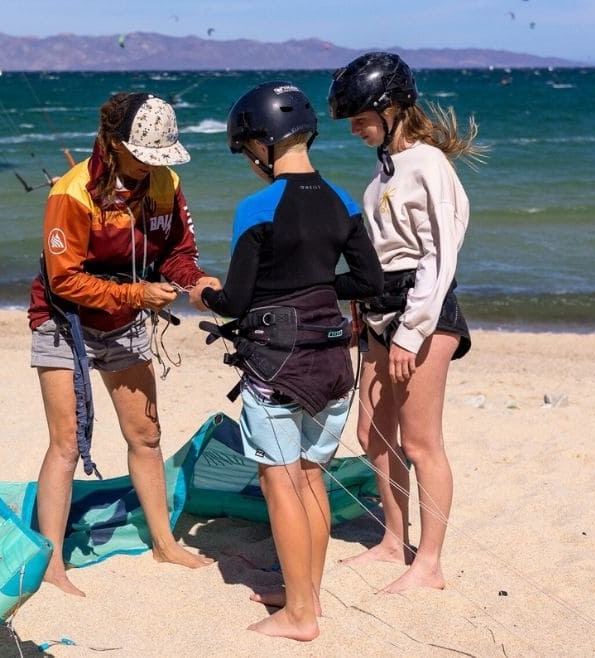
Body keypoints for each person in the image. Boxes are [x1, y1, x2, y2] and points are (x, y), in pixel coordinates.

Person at [189, 81, 382, 641]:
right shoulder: (344, 201)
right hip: (332, 366)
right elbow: (370, 281)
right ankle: (306, 596)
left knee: (281, 485)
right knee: (312, 479)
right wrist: (318, 283)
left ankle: (299, 616)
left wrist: (203, 293)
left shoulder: (257, 207)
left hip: (276, 366)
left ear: (259, 144)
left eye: (247, 149)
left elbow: (238, 301)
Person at [28, 92, 219, 596]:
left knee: (147, 436)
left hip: (126, 318)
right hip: (62, 319)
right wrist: (137, 292)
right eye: (144, 155)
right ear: (113, 144)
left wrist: (197, 285)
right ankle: (51, 561)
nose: (152, 167)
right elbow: (64, 279)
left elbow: (179, 253)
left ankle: (163, 542)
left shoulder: (167, 182)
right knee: (66, 443)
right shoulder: (72, 194)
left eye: (160, 158)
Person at [327, 52, 484, 593]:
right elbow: (381, 253)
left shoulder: (429, 164)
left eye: (359, 116)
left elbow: (442, 256)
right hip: (378, 313)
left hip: (425, 313)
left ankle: (431, 564)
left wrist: (413, 330)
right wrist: (360, 312)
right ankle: (394, 541)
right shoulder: (385, 167)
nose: (353, 127)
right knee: (372, 433)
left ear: (392, 108)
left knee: (421, 444)